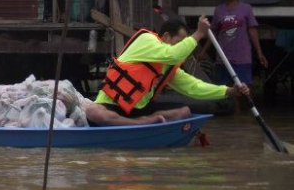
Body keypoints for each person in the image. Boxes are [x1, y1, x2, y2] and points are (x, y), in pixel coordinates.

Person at [94, 16, 250, 121]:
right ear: (166, 36)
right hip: (111, 105)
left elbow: (193, 87)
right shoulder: (147, 40)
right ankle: (144, 123)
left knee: (213, 106)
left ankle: (149, 123)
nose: (183, 46)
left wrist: (228, 91)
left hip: (135, 109)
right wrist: (199, 33)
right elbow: (174, 54)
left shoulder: (168, 66)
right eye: (180, 41)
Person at [198, 0, 268, 87]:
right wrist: (203, 52)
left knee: (243, 90)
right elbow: (213, 34)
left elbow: (252, 31)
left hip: (242, 58)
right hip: (223, 58)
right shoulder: (219, 10)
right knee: (223, 90)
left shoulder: (246, 8)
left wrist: (260, 54)